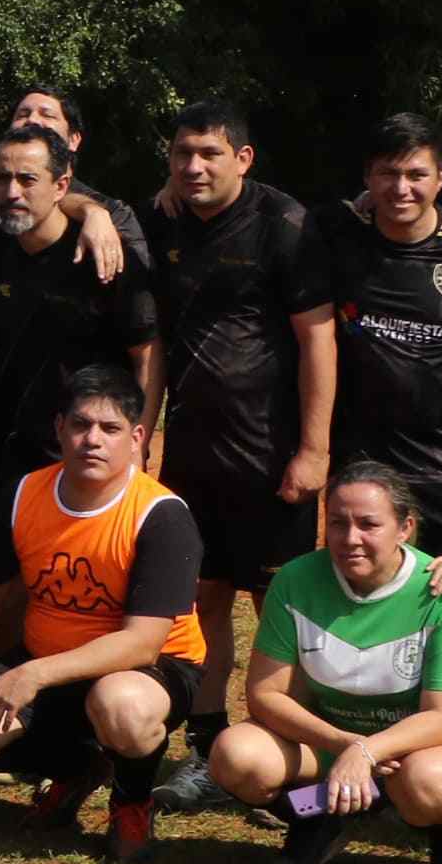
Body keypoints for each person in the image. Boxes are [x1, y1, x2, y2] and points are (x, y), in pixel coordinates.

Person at [137, 99, 336, 814]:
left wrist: (313, 450)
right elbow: (154, 339)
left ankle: (290, 757)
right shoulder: (160, 221)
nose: (193, 167)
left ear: (243, 159)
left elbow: (318, 339)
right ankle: (207, 749)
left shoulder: (285, 225)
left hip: (271, 455)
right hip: (193, 454)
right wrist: (143, 433)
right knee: (202, 601)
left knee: (282, 606)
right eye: (182, 154)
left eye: (210, 154)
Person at [0, 367, 211, 864]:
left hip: (147, 672)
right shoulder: (21, 495)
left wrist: (33, 674)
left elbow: (142, 643)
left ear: (137, 437)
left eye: (110, 429)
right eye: (80, 425)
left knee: (122, 708)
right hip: (45, 657)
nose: (92, 440)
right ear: (59, 427)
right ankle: (80, 769)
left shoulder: (162, 516)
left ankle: (132, 799)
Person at [204, 465, 442, 864]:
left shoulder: (441, 591)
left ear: (406, 528)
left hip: (433, 746)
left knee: (430, 785)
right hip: (336, 740)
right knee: (237, 757)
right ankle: (322, 816)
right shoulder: (296, 580)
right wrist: (348, 747)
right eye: (337, 522)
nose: (350, 537)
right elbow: (265, 694)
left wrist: (368, 754)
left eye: (369, 524)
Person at [319, 112, 442, 573]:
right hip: (361, 460)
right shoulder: (336, 234)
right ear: (368, 176)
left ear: (441, 178)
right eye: (388, 173)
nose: (401, 188)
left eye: (416, 174)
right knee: (359, 591)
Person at [0, 123, 159, 482]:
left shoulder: (106, 256)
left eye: (27, 179)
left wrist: (136, 447)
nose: (12, 192)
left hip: (88, 454)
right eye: (1, 178)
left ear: (61, 186)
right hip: (11, 454)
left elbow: (147, 354)